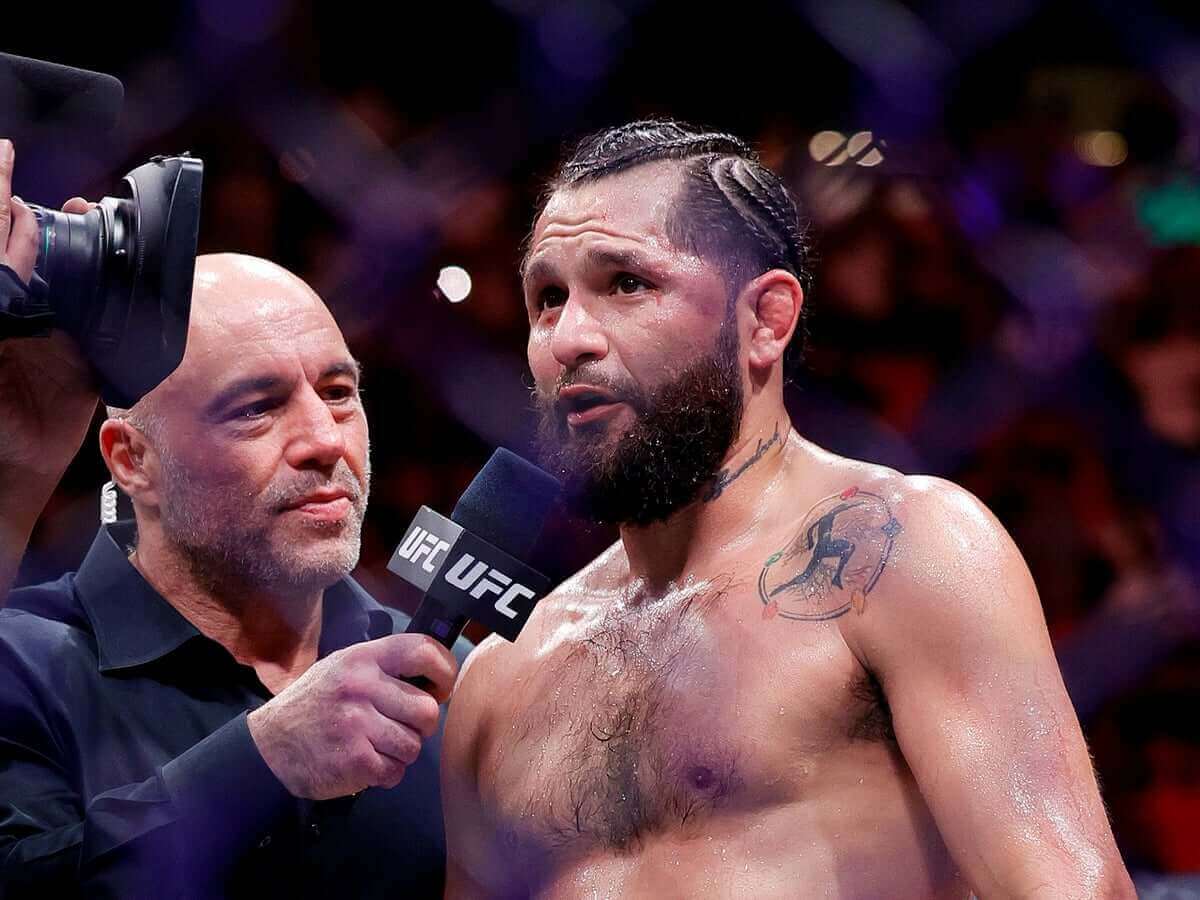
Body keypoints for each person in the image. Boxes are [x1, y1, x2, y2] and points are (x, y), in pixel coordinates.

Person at [440, 121, 1136, 898]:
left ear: (765, 320)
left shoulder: (901, 552)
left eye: (627, 283)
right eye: (547, 298)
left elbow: (1070, 887)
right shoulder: (498, 680)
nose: (569, 337)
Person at [0, 138, 462, 897]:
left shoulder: (449, 677)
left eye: (339, 393)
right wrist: (261, 763)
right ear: (131, 460)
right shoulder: (22, 666)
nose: (324, 441)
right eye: (256, 408)